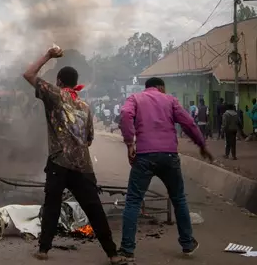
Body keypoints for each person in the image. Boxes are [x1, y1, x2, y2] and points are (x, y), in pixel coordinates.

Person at [23, 46, 127, 264]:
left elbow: (29, 74)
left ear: (59, 81)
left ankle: (43, 250)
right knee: (94, 209)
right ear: (74, 82)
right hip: (83, 165)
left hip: (59, 162)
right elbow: (89, 139)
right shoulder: (85, 106)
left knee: (52, 204)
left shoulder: (54, 95)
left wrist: (48, 56)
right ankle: (113, 254)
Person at [118, 77, 213, 262]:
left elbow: (125, 114)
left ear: (147, 87)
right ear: (161, 87)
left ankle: (127, 249)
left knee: (133, 201)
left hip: (144, 156)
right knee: (178, 198)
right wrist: (201, 144)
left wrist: (130, 143)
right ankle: (187, 243)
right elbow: (188, 123)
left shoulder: (135, 98)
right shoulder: (170, 100)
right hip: (169, 156)